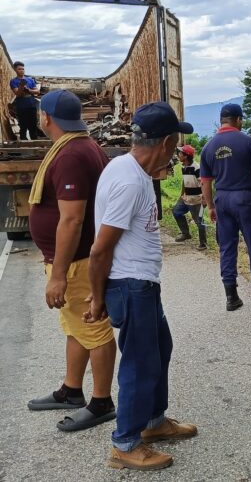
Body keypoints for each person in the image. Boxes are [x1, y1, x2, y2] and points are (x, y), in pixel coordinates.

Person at [86, 102, 197, 470]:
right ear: (166, 142)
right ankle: (125, 444)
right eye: (175, 141)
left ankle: (152, 422)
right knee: (140, 363)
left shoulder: (128, 168)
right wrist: (97, 295)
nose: (176, 149)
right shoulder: (130, 180)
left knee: (159, 348)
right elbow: (100, 248)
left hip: (141, 282)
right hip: (131, 284)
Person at [26, 90, 116, 432]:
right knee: (75, 326)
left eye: (39, 114)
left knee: (93, 327)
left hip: (77, 262)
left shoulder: (71, 155)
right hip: (71, 259)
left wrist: (58, 273)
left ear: (46, 117)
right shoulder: (81, 145)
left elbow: (72, 219)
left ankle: (102, 401)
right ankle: (71, 390)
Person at [200, 103, 251, 312]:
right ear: (239, 119)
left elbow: (205, 182)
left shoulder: (208, 147)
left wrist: (210, 206)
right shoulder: (248, 142)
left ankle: (232, 298)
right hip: (245, 199)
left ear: (221, 121)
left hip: (222, 200)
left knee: (227, 247)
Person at [172, 144, 207, 250]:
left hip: (196, 199)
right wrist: (182, 194)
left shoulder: (196, 168)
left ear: (186, 156)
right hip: (186, 197)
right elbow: (184, 180)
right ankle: (185, 233)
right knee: (176, 212)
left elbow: (204, 183)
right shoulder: (184, 167)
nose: (178, 155)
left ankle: (203, 243)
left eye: (180, 153)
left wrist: (205, 198)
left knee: (199, 221)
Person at [9, 61, 41, 140]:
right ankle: (23, 144)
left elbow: (37, 92)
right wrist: (21, 86)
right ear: (15, 70)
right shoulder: (13, 81)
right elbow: (18, 94)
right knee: (23, 127)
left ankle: (34, 144)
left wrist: (28, 90)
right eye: (19, 69)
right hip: (21, 107)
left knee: (33, 126)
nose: (22, 71)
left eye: (23, 69)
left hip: (32, 106)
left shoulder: (30, 80)